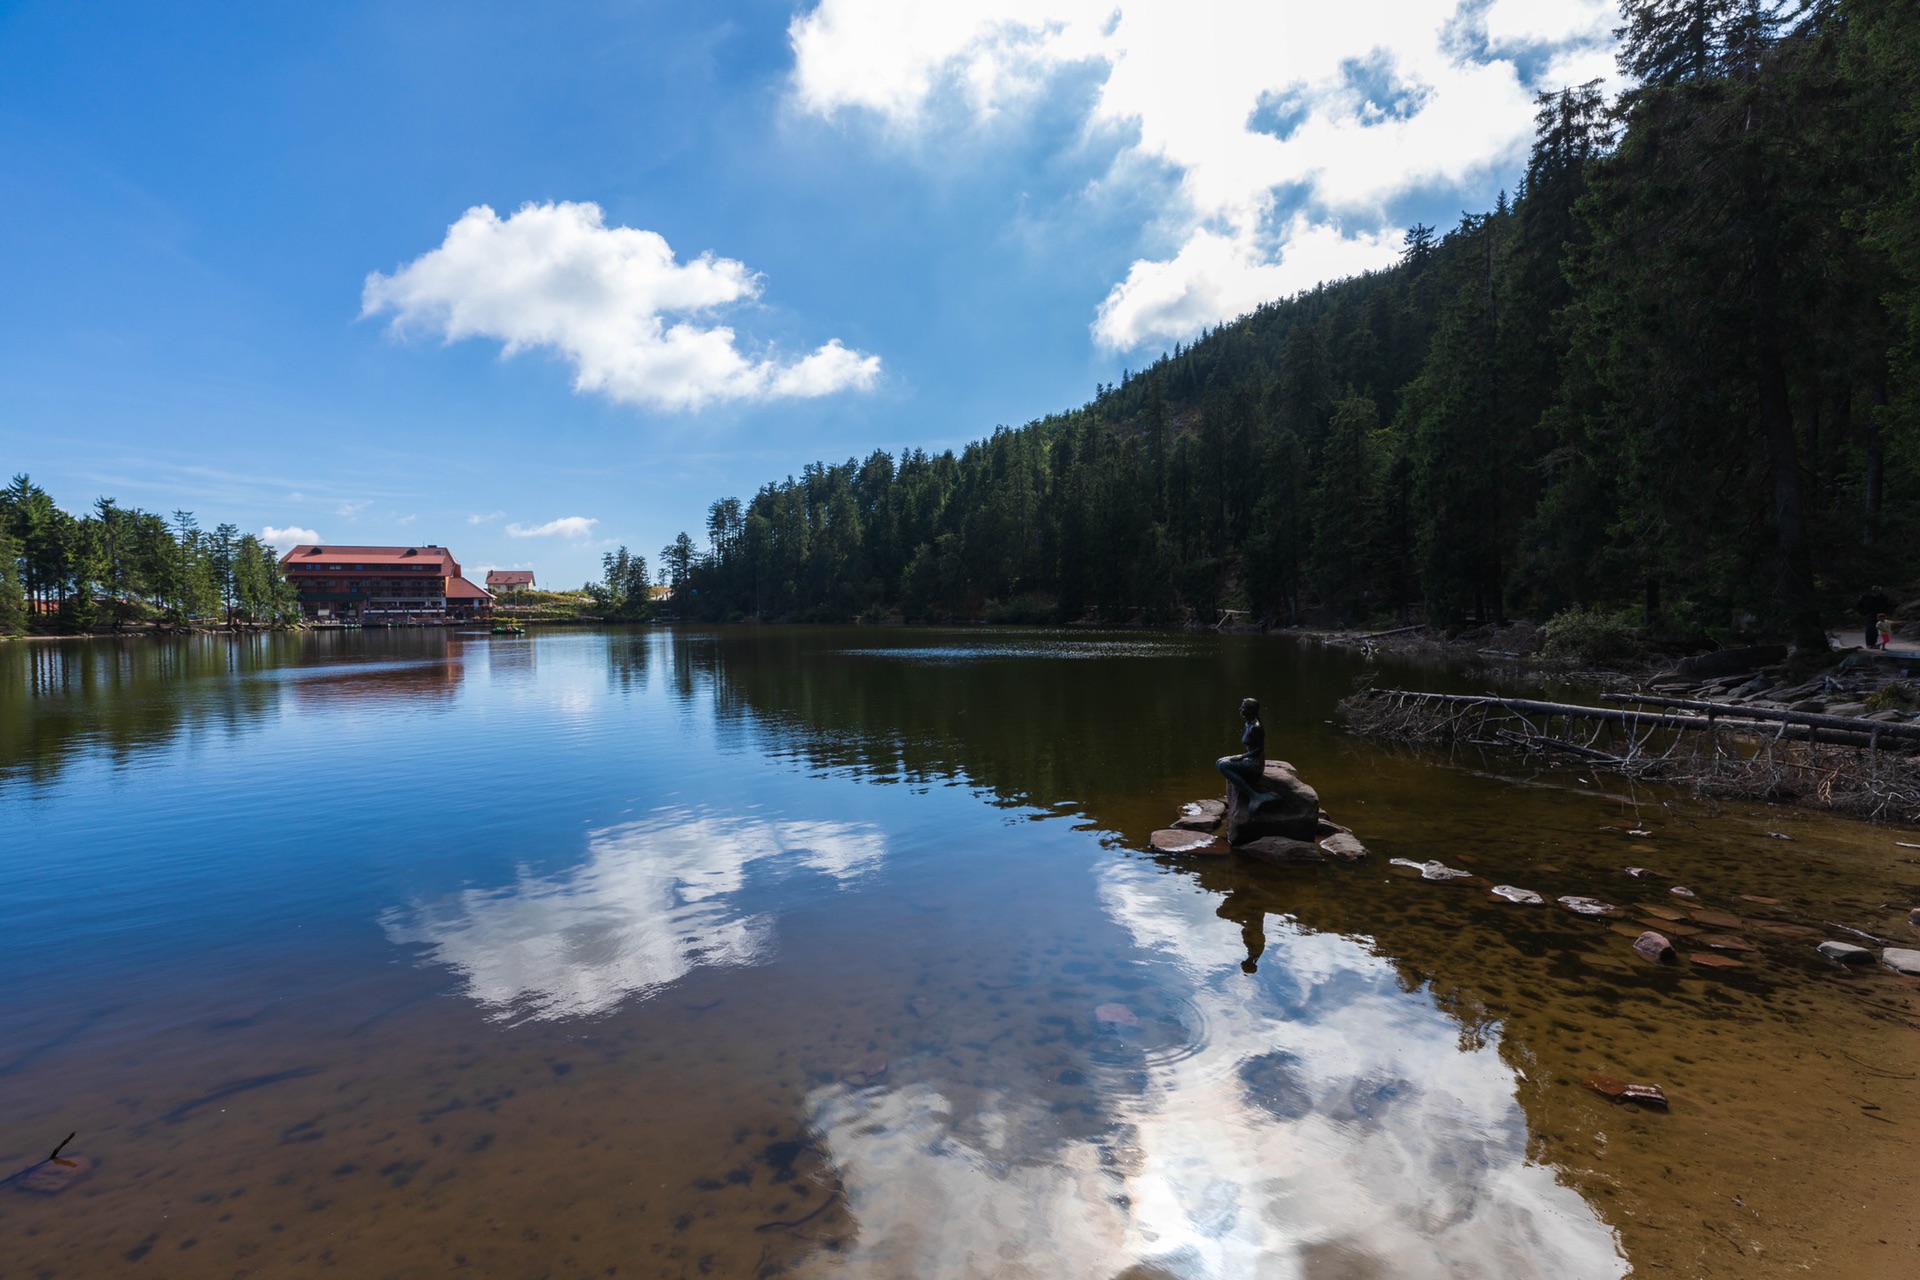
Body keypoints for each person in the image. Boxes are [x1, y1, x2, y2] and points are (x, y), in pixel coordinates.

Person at [1216, 697, 1278, 811]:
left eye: (1243, 707)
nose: (1240, 709)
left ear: (1250, 710)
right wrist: (1240, 757)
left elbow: (1259, 749)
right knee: (1219, 761)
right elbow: (1249, 747)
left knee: (1222, 765)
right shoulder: (1247, 724)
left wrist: (1241, 757)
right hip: (1248, 759)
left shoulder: (1256, 727)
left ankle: (1254, 796)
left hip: (1255, 764)